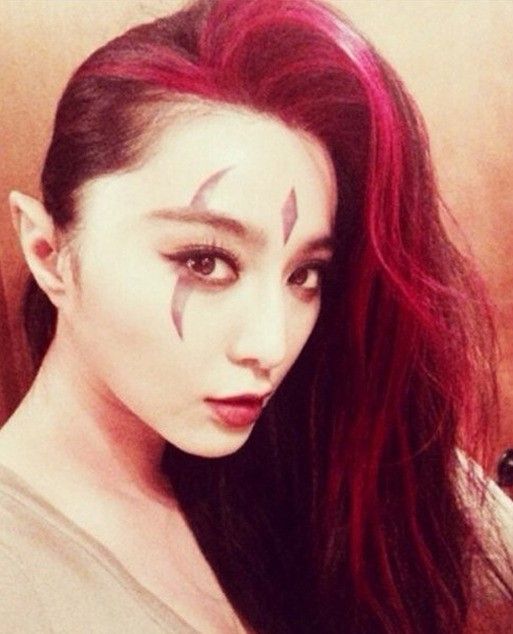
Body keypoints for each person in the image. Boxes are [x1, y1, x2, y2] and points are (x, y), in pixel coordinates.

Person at [0, 0, 512, 632]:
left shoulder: (302, 460)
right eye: (205, 261)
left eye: (304, 275)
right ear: (48, 252)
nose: (270, 345)